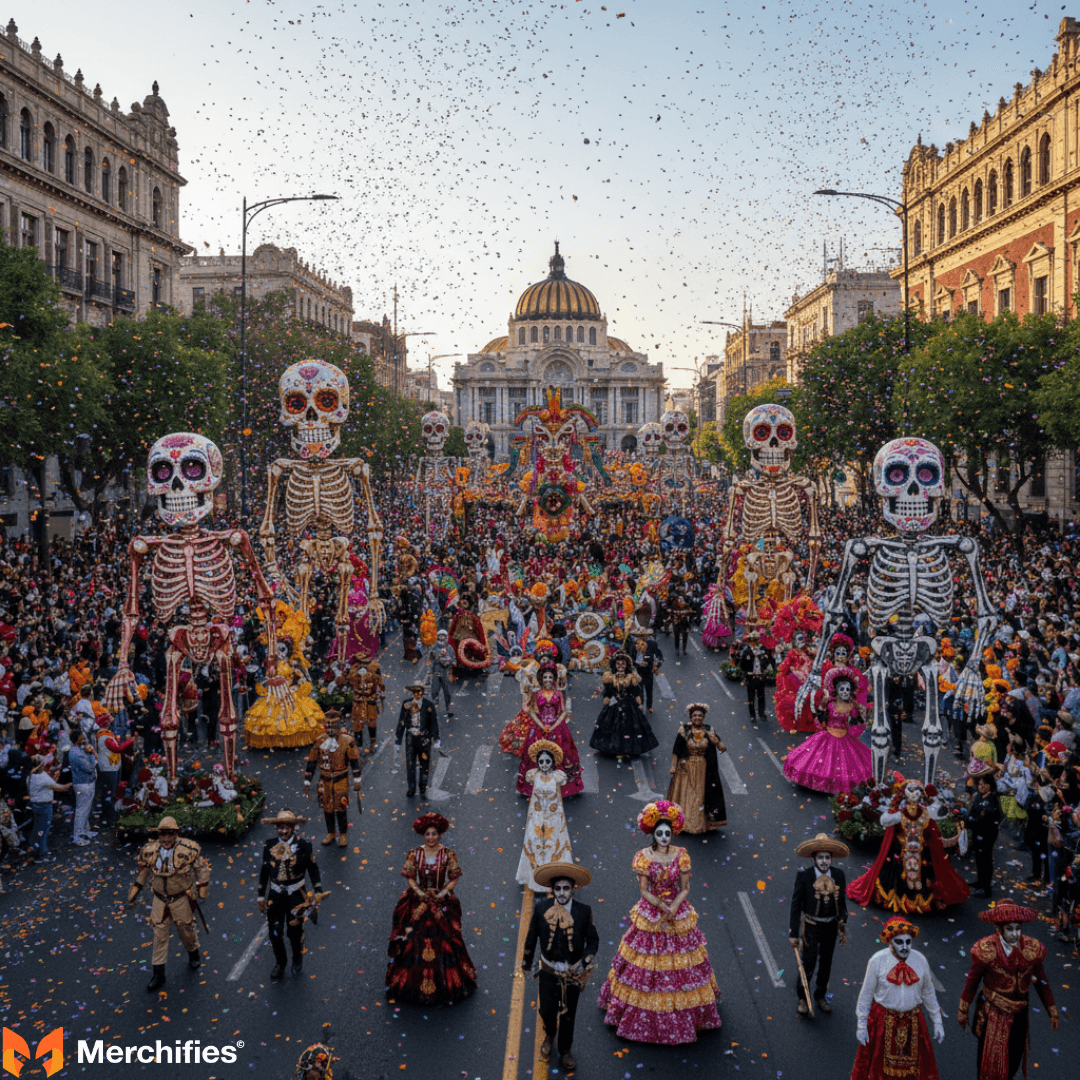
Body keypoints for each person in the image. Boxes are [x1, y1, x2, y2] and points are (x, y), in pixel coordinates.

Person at [597, 800, 721, 1044]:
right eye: (659, 833)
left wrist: (674, 905)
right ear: (653, 833)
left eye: (667, 833)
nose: (664, 837)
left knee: (683, 962)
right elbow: (644, 890)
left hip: (677, 911)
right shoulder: (643, 857)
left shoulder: (681, 855)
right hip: (652, 911)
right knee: (644, 964)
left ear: (672, 832)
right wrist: (661, 905)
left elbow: (685, 887)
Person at [958, 903, 1060, 1080]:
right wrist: (963, 1010)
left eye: (1018, 929)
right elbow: (972, 981)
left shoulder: (1031, 949)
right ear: (999, 929)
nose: (1015, 934)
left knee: (1014, 1058)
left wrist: (1052, 1011)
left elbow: (1042, 983)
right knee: (988, 1060)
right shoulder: (986, 950)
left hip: (1020, 1013)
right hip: (992, 1013)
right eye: (1010, 929)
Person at [385, 812, 477, 1006]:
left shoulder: (448, 853)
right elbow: (410, 876)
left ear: (440, 834)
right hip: (418, 899)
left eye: (434, 834)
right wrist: (418, 891)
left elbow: (454, 877)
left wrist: (442, 894)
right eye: (428, 834)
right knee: (411, 939)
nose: (431, 837)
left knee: (446, 939)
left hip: (441, 900)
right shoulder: (414, 853)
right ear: (423, 835)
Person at [848, 777, 970, 913]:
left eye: (918, 790)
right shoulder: (898, 814)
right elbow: (887, 825)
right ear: (904, 793)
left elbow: (931, 833)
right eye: (911, 790)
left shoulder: (926, 813)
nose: (915, 793)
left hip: (921, 851)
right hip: (900, 851)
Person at [521, 861, 599, 1073]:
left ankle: (565, 1050)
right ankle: (549, 1034)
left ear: (574, 888)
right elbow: (531, 936)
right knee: (546, 1010)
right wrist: (526, 962)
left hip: (571, 975)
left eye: (566, 888)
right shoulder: (541, 908)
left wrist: (583, 962)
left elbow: (593, 941)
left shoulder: (584, 911)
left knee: (568, 1014)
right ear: (551, 889)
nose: (562, 893)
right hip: (547, 971)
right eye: (558, 889)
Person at [850, 916, 944, 1080]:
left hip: (913, 1022)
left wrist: (937, 1020)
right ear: (890, 941)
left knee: (915, 1071)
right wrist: (861, 1024)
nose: (905, 947)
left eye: (908, 942)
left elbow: (928, 992)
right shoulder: (877, 961)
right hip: (882, 1022)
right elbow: (866, 994)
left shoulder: (920, 960)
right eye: (900, 942)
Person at [127, 816, 210, 992]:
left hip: (180, 899)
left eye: (169, 835)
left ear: (176, 834)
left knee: (185, 930)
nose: (165, 839)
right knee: (159, 934)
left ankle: (193, 952)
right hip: (159, 900)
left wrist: (203, 886)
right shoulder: (150, 851)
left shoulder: (188, 849)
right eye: (162, 835)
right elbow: (144, 872)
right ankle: (159, 973)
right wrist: (136, 888)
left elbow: (201, 867)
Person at [782, 666, 873, 795]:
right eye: (842, 689)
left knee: (842, 766)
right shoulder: (830, 704)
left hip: (844, 738)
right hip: (828, 736)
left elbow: (860, 720)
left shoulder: (852, 705)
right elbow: (820, 716)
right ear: (836, 690)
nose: (845, 692)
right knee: (818, 762)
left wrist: (864, 713)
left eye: (847, 689)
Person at [257, 809, 325, 979]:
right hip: (275, 896)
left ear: (294, 827)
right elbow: (264, 871)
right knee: (275, 930)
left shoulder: (304, 845)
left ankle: (297, 957)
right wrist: (260, 895)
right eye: (281, 827)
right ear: (276, 828)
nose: (284, 831)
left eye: (288, 827)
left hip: (296, 896)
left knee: (294, 931)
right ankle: (281, 962)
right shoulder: (269, 845)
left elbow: (313, 869)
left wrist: (318, 890)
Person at [788, 833, 849, 1018]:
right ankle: (802, 998)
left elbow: (843, 904)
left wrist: (842, 920)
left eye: (827, 857)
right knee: (808, 961)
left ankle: (820, 995)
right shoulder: (804, 876)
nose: (824, 861)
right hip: (811, 926)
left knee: (826, 963)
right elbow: (796, 904)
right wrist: (793, 932)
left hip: (830, 927)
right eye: (820, 857)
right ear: (814, 858)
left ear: (831, 859)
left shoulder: (838, 875)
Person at [244, 640, 325, 749]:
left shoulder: (291, 663)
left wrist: (299, 681)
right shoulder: (272, 666)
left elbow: (300, 677)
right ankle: (276, 739)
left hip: (289, 692)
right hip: (276, 692)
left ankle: (290, 738)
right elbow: (267, 679)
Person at [518, 663, 583, 797]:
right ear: (542, 679)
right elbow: (531, 711)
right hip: (539, 728)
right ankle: (536, 785)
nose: (548, 680)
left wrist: (555, 725)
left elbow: (563, 712)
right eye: (545, 677)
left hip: (557, 727)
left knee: (561, 755)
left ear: (554, 679)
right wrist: (541, 726)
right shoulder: (536, 694)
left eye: (550, 677)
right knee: (536, 755)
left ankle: (561, 786)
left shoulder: (558, 694)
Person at [516, 740, 573, 888]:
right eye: (541, 761)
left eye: (547, 761)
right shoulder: (533, 775)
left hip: (554, 819)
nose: (544, 765)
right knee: (535, 845)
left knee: (554, 845)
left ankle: (554, 874)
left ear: (553, 762)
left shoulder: (558, 776)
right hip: (537, 817)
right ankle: (534, 875)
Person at [303, 711, 362, 847]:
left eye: (333, 726)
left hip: (340, 779)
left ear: (338, 726)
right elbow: (311, 762)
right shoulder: (320, 741)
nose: (330, 730)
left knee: (341, 807)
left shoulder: (348, 741)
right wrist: (307, 781)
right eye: (327, 727)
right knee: (327, 808)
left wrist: (357, 780)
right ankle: (331, 833)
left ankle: (342, 834)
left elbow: (354, 762)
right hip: (324, 780)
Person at [666, 703, 727, 833]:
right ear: (691, 717)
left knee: (699, 796)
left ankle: (699, 823)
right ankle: (683, 823)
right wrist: (673, 767)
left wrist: (714, 739)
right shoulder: (684, 730)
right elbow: (676, 751)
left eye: (700, 715)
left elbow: (722, 748)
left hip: (703, 769)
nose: (697, 718)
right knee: (686, 795)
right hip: (685, 768)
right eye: (695, 715)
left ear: (704, 717)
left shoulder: (709, 730)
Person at [589, 652, 659, 759]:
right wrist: (606, 699)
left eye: (623, 664)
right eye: (618, 664)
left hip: (628, 704)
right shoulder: (610, 677)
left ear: (626, 665)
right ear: (614, 665)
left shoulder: (631, 677)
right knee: (612, 725)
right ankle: (614, 749)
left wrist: (638, 700)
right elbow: (608, 691)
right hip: (614, 704)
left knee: (628, 728)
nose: (620, 666)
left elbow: (636, 691)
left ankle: (627, 750)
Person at [394, 683, 441, 798]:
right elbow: (402, 721)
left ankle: (422, 788)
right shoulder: (407, 704)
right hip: (411, 738)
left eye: (419, 691)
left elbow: (433, 722)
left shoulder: (428, 705)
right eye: (414, 692)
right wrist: (398, 740)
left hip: (424, 739)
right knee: (410, 764)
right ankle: (411, 787)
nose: (417, 694)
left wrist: (436, 738)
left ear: (423, 692)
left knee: (424, 764)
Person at [967, 763, 1004, 898]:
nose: (981, 787)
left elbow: (986, 819)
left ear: (990, 785)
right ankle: (980, 881)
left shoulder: (992, 800)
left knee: (985, 860)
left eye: (984, 784)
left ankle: (986, 888)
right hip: (977, 832)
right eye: (980, 784)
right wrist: (971, 820)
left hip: (987, 835)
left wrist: (974, 820)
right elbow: (972, 813)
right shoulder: (979, 796)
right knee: (978, 858)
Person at [27, 756, 71, 861]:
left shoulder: (30, 776)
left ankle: (34, 848)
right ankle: (41, 855)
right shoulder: (41, 779)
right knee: (43, 831)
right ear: (41, 765)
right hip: (44, 806)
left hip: (35, 805)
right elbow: (61, 788)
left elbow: (50, 782)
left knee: (37, 829)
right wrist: (72, 783)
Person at [67, 727, 99, 845]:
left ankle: (85, 830)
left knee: (86, 809)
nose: (84, 739)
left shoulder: (79, 750)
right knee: (81, 810)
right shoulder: (75, 753)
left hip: (88, 783)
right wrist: (92, 754)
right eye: (82, 738)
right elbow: (89, 768)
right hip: (82, 784)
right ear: (77, 740)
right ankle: (77, 835)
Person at [346, 659, 385, 753]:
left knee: (372, 723)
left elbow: (381, 685)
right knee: (357, 724)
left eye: (365, 663)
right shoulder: (353, 673)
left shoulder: (374, 672)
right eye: (360, 662)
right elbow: (346, 681)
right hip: (358, 703)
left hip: (370, 702)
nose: (363, 665)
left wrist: (381, 695)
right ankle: (359, 746)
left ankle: (373, 743)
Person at [738, 630, 774, 725]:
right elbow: (742, 664)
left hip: (760, 677)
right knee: (751, 698)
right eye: (754, 639)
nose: (756, 641)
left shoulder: (763, 649)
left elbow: (769, 659)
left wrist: (765, 669)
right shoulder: (746, 651)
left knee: (761, 696)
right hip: (751, 677)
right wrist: (747, 673)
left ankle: (761, 713)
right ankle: (752, 715)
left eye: (757, 639)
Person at [632, 632, 663, 712]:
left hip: (649, 671)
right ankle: (641, 705)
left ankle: (649, 706)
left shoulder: (652, 643)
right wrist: (637, 664)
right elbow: (630, 659)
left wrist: (657, 665)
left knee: (649, 690)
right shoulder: (634, 645)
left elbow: (659, 656)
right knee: (639, 691)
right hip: (638, 672)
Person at [429, 630, 455, 717]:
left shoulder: (449, 647)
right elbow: (430, 659)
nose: (442, 638)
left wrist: (447, 661)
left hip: (445, 672)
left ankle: (448, 708)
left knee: (447, 691)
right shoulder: (434, 646)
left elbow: (454, 659)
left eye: (443, 636)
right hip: (436, 671)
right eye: (440, 636)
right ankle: (435, 707)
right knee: (435, 690)